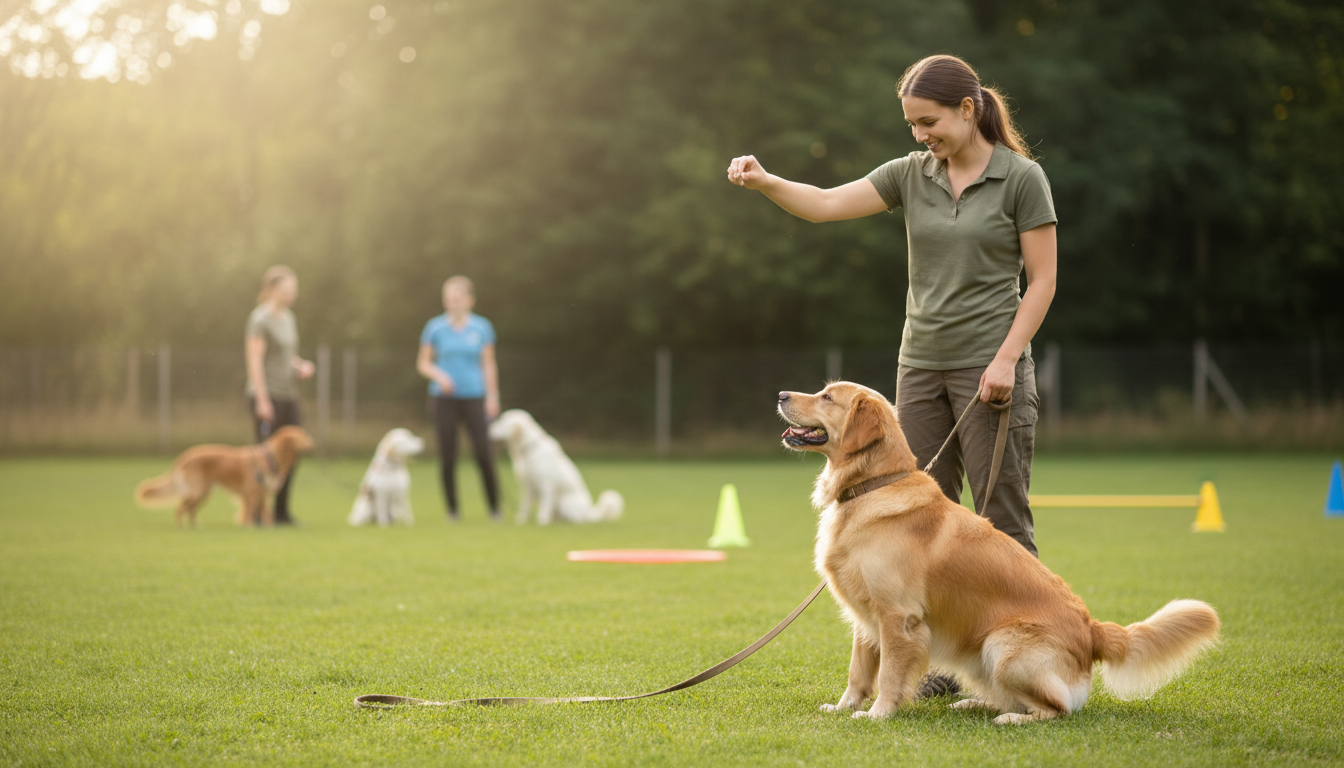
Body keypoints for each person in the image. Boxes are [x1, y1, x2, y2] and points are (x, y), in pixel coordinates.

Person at [728, 54, 1057, 695]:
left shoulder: (1022, 179)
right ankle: (934, 670)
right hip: (920, 369)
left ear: (968, 110)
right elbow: (825, 204)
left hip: (991, 371)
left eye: (928, 122)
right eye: (912, 124)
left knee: (1001, 520)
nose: (919, 135)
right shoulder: (911, 174)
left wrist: (1006, 358)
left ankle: (1024, 659)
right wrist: (767, 182)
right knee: (910, 527)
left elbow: (1042, 280)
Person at [417, 276, 502, 522]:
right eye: (450, 298)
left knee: (484, 453)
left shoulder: (482, 328)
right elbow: (423, 363)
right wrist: (439, 376)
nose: (454, 302)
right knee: (447, 455)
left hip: (475, 396)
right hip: (444, 398)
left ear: (469, 300)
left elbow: (488, 364)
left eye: (458, 298)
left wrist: (492, 396)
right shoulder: (435, 328)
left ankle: (494, 509)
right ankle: (452, 511)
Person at [244, 265, 315, 526]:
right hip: (267, 395)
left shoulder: (289, 317)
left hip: (288, 394)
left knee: (292, 454)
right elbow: (255, 361)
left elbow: (286, 356)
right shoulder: (260, 319)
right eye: (286, 290)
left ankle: (281, 513)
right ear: (272, 290)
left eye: (294, 290)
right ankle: (256, 513)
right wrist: (262, 400)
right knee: (264, 459)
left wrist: (300, 366)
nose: (291, 294)